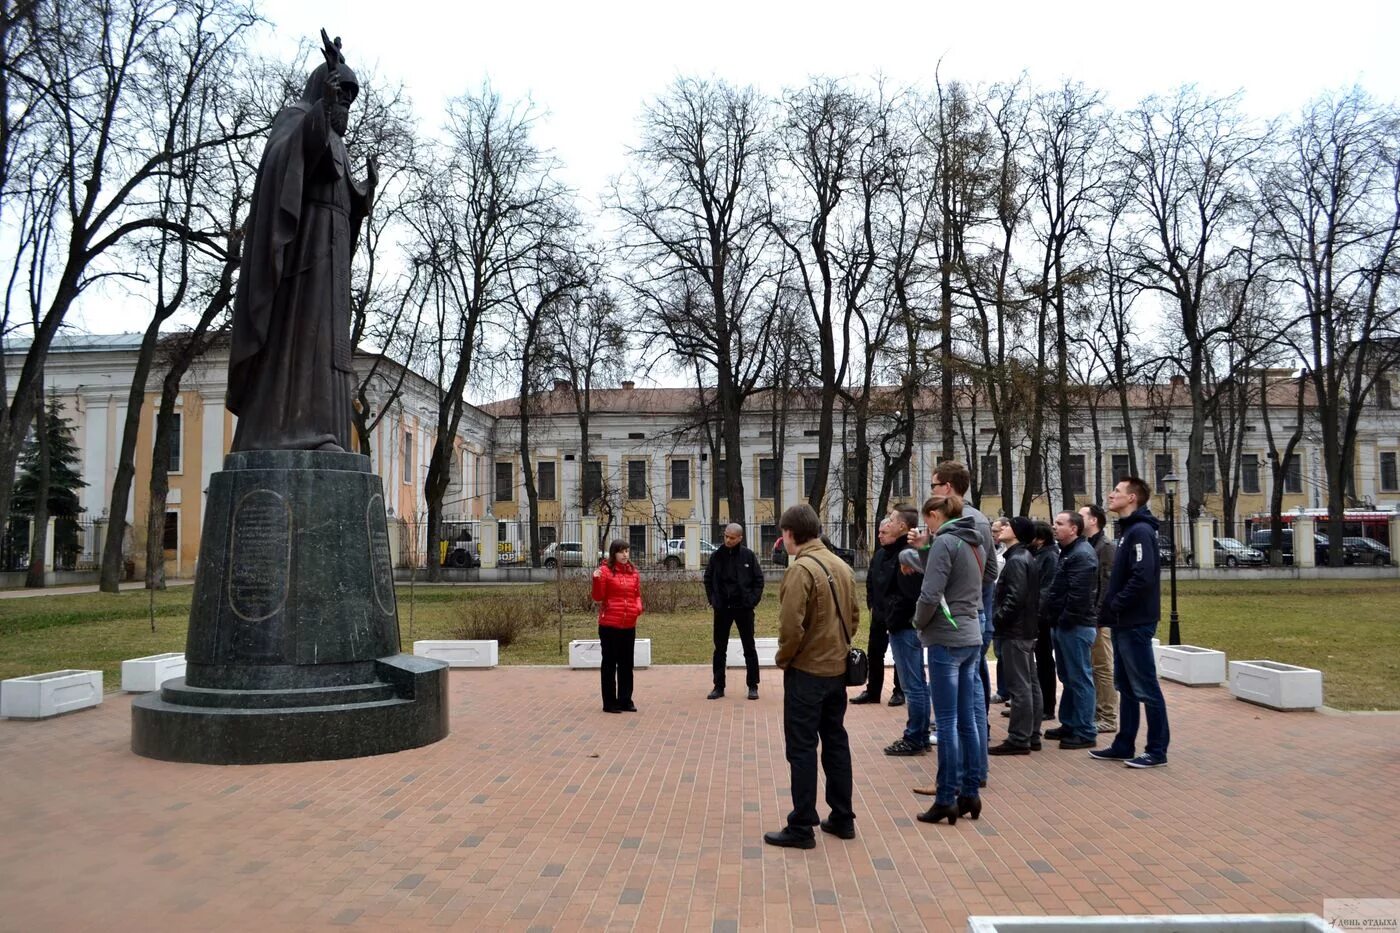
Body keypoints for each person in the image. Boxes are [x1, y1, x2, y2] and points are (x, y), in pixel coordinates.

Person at [228, 38, 377, 452]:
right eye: (339, 99)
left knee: (332, 347)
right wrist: (317, 115)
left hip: (333, 258)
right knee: (303, 336)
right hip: (305, 253)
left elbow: (344, 196)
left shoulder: (341, 145)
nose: (344, 109)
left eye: (348, 102)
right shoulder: (297, 117)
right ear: (323, 95)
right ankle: (290, 430)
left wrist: (364, 193)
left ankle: (326, 429)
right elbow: (282, 160)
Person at [764, 505, 859, 849]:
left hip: (807, 672)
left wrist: (784, 657)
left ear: (789, 534)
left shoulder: (800, 570)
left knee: (802, 748)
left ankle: (802, 825)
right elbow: (854, 616)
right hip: (837, 670)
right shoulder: (841, 565)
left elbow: (791, 626)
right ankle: (842, 817)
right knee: (835, 742)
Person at [910, 493, 986, 826]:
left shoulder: (946, 541)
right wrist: (927, 550)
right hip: (970, 635)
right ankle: (969, 792)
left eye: (927, 518)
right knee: (966, 719)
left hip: (947, 637)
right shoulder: (975, 542)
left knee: (947, 722)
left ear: (936, 515)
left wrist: (918, 622)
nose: (925, 525)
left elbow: (931, 593)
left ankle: (945, 798)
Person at [1092, 477, 1171, 769]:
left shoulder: (1140, 531)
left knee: (1146, 686)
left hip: (1136, 621)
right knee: (1125, 684)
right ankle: (1124, 743)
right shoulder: (1128, 531)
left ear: (1132, 499)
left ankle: (1157, 750)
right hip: (1124, 621)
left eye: (1117, 491)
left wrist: (1116, 603)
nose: (1111, 494)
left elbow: (1143, 575)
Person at [871, 509, 926, 754]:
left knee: (912, 685)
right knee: (915, 684)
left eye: (892, 521)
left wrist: (893, 618)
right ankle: (919, 734)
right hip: (900, 624)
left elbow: (908, 595)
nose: (887, 524)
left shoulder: (907, 554)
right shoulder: (894, 552)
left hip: (904, 627)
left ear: (903, 527)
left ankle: (915, 737)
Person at [1043, 511, 1099, 750]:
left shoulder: (1082, 555)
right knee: (1068, 678)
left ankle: (1085, 731)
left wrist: (1064, 620)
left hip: (1075, 626)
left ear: (1074, 529)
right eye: (1054, 523)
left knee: (1079, 678)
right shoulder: (1068, 553)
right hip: (1064, 625)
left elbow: (1079, 596)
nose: (1054, 527)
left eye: (1059, 524)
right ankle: (1069, 723)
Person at [987, 517, 1043, 755]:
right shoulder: (1020, 557)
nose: (1001, 529)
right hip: (1023, 630)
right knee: (1029, 683)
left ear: (1017, 533)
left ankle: (1019, 738)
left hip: (1016, 631)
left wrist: (997, 619)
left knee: (1020, 685)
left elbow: (1015, 598)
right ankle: (1031, 734)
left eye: (1007, 526)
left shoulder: (1017, 560)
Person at [704, 523, 765, 701]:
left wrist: (751, 601)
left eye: (732, 537)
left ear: (740, 538)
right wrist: (713, 600)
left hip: (743, 609)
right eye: (726, 536)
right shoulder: (716, 556)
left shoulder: (748, 556)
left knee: (749, 647)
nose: (728, 540)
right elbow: (708, 578)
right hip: (722, 609)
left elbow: (758, 580)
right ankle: (718, 686)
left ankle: (753, 686)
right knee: (719, 648)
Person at [854, 515, 905, 707]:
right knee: (875, 653)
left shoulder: (904, 553)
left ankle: (900, 691)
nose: (880, 536)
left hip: (897, 614)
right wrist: (871, 604)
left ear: (894, 531)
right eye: (878, 533)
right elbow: (870, 582)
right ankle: (873, 691)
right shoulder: (879, 555)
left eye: (884, 532)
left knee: (899, 654)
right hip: (878, 614)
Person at [591, 540, 643, 713]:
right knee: (609, 664)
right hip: (609, 625)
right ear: (613, 554)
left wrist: (638, 607)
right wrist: (596, 580)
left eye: (627, 551)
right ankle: (610, 702)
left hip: (629, 624)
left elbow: (636, 594)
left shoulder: (633, 572)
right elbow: (598, 597)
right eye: (621, 552)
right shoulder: (605, 572)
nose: (625, 555)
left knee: (627, 664)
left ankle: (625, 700)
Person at [1080, 503, 1119, 735]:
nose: (1078, 518)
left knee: (1103, 667)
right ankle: (1096, 711)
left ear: (1094, 520)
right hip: (1088, 617)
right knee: (1092, 666)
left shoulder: (1106, 547)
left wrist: (1099, 615)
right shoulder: (1086, 545)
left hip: (1099, 619)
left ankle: (1108, 716)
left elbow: (1107, 584)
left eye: (1083, 515)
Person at [1030, 521, 1059, 720]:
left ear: (1040, 539)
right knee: (1040, 662)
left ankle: (1047, 707)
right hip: (1038, 616)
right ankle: (1040, 704)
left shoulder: (1049, 556)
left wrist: (1036, 614)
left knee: (1045, 662)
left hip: (1042, 619)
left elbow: (1046, 589)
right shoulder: (1039, 555)